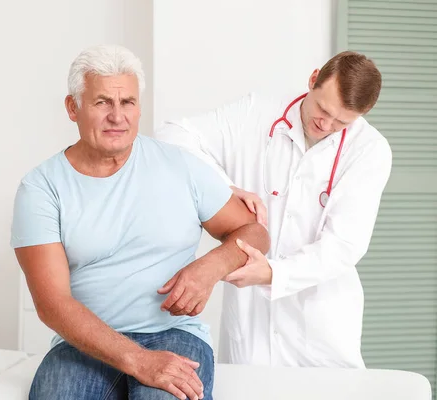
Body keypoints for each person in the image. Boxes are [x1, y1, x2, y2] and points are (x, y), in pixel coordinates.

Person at [11, 44, 270, 400]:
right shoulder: (40, 189)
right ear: (73, 108)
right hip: (84, 343)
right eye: (102, 102)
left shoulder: (181, 166)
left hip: (174, 334)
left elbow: (254, 232)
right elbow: (52, 304)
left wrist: (211, 267)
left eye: (127, 102)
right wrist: (138, 360)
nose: (117, 116)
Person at [153, 51, 393, 368]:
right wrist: (224, 186)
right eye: (323, 108)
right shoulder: (256, 112)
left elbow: (344, 246)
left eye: (341, 122)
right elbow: (172, 134)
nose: (327, 124)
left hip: (321, 325)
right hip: (250, 324)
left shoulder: (370, 151)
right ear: (313, 79)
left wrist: (274, 273)